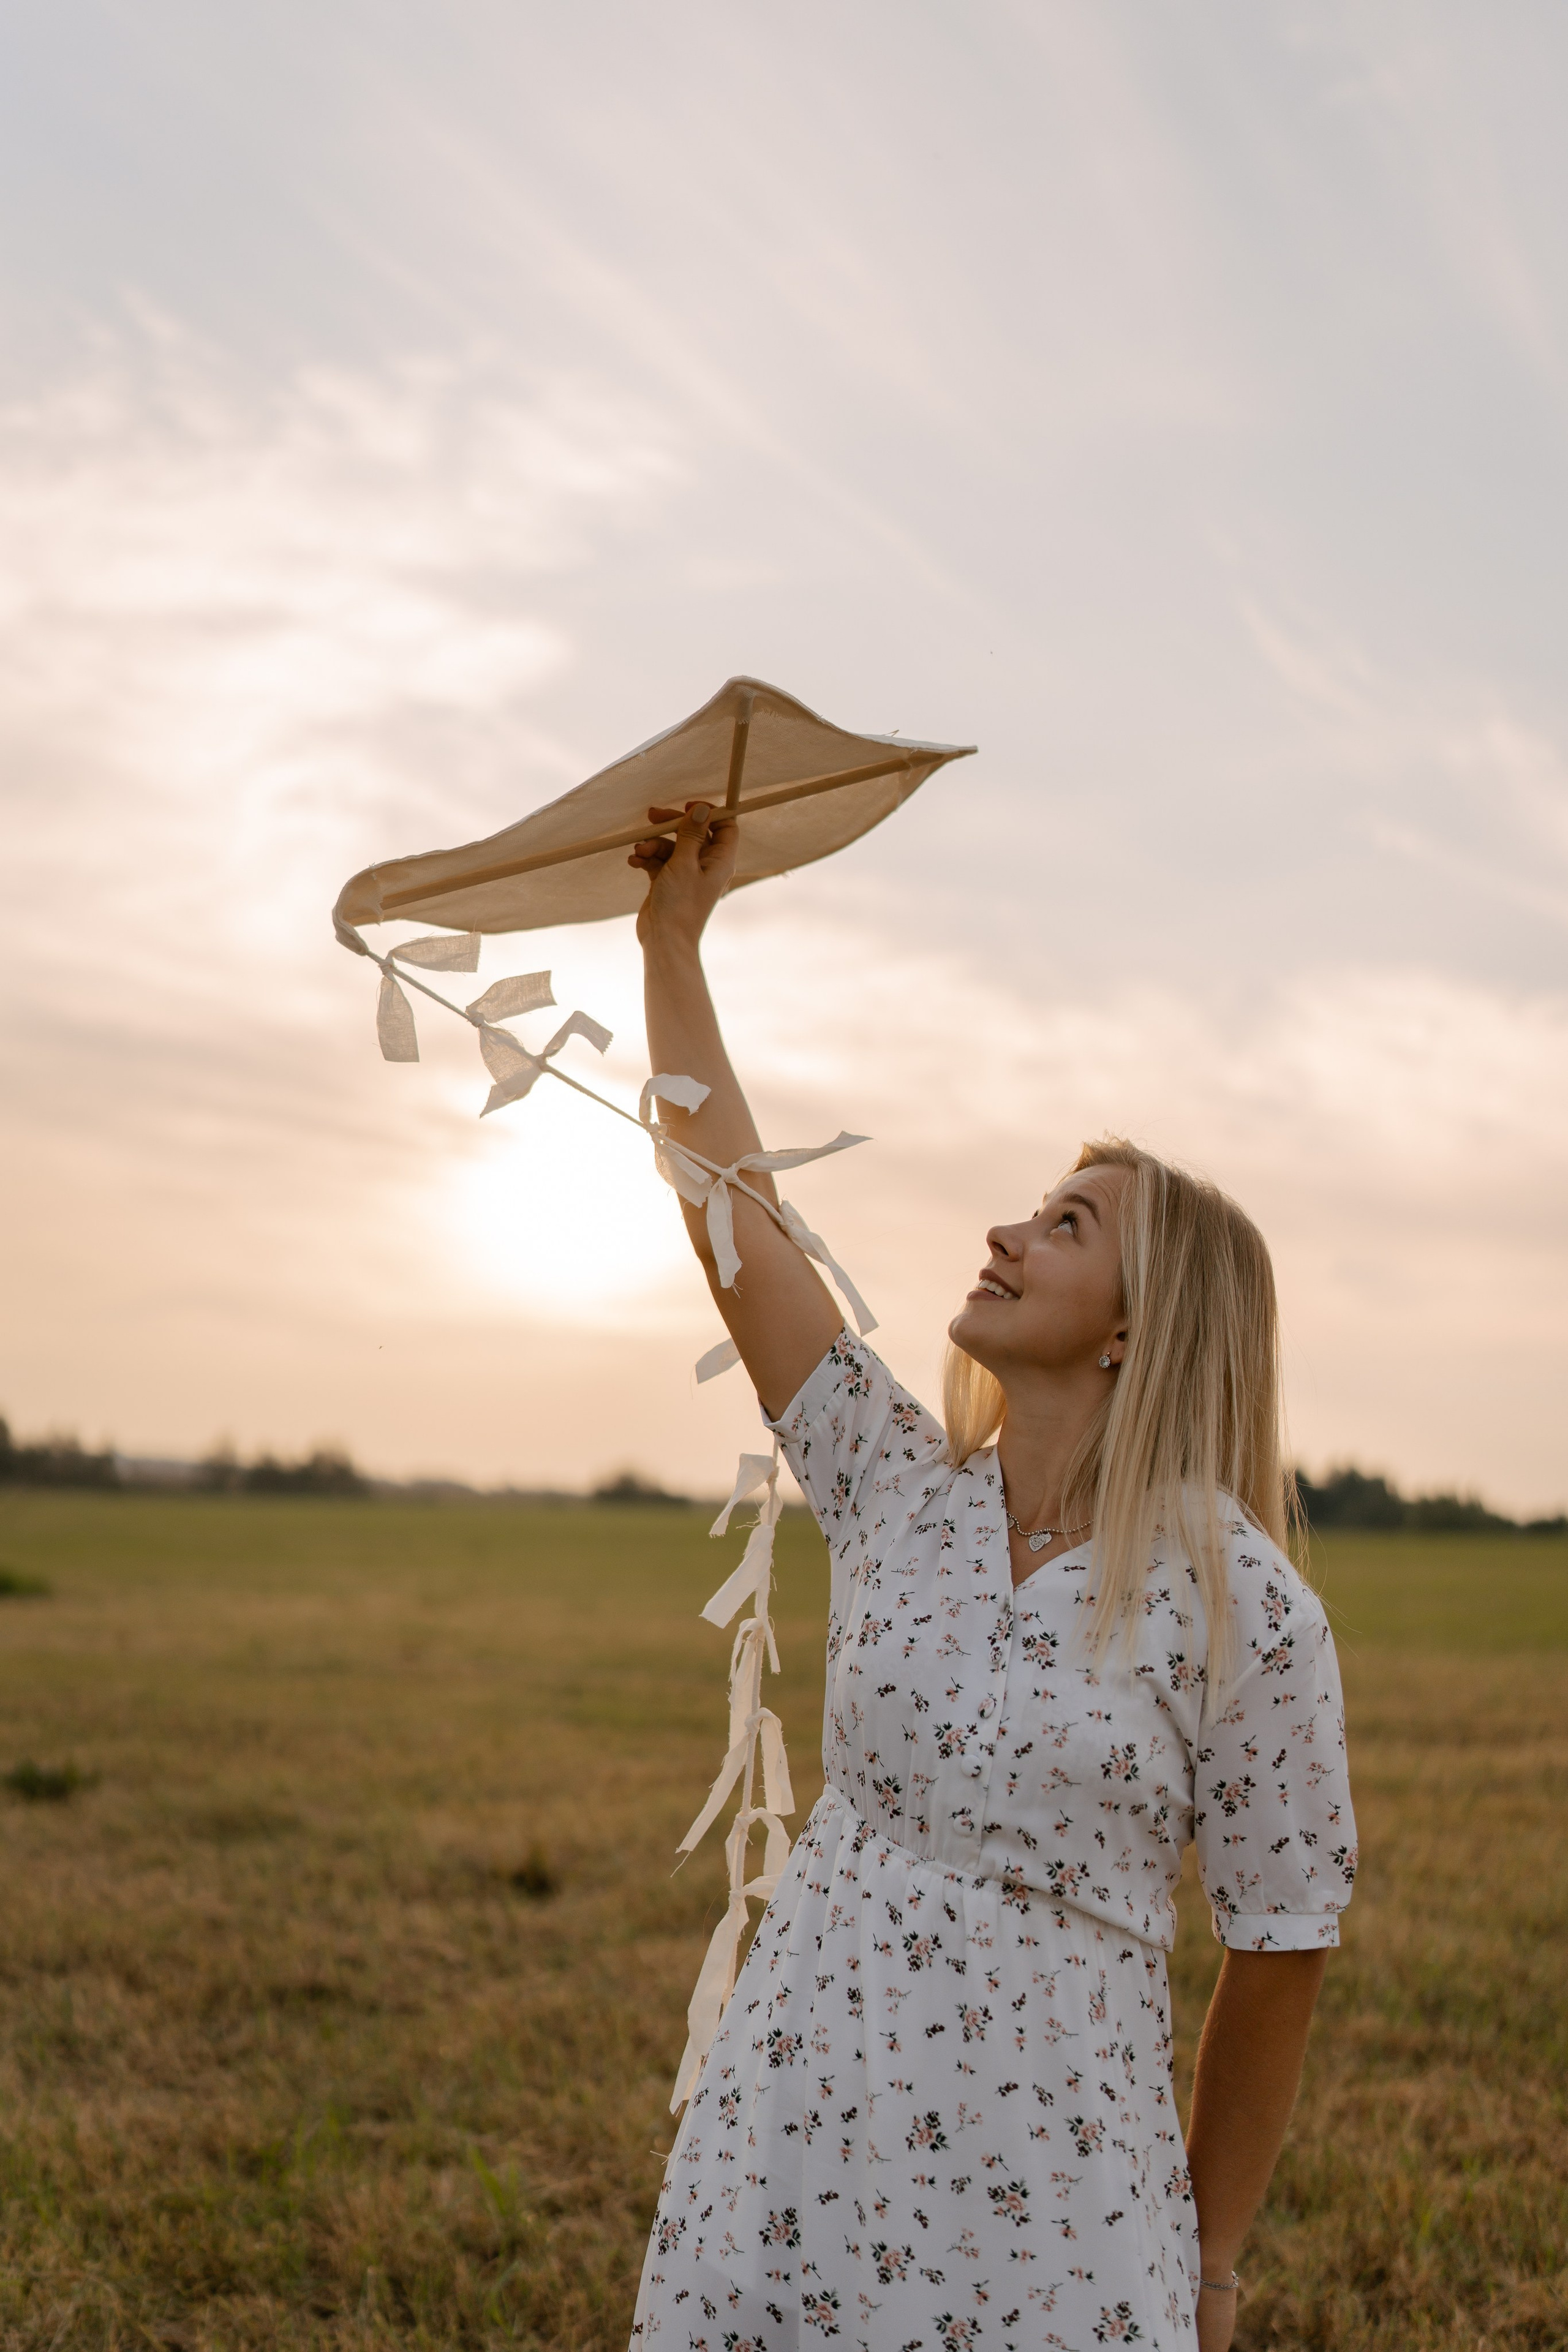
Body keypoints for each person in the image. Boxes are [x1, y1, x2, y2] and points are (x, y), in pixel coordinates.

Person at [628, 804, 1356, 2352]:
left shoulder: (1248, 1610)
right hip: (794, 2139)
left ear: (1134, 1328)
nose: (1005, 1233)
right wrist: (671, 941)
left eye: (1062, 1224)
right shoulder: (894, 1483)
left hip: (1053, 2207)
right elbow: (730, 1213)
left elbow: (1279, 1945)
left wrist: (1212, 2263)